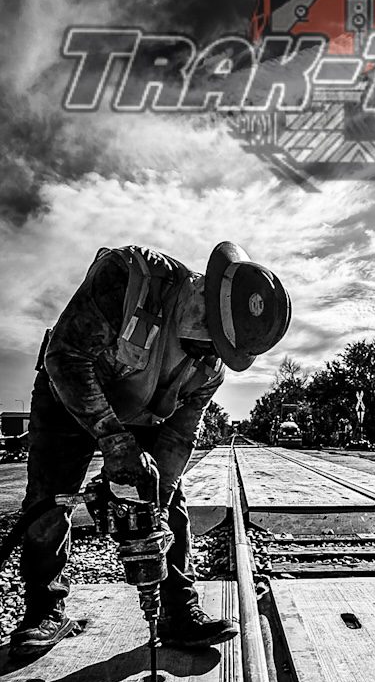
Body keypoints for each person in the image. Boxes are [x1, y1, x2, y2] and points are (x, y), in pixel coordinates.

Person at [10, 240, 291, 660]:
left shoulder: (209, 367)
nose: (211, 354)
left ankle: (179, 610)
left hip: (141, 412)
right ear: (202, 294)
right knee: (48, 503)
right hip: (68, 396)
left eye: (221, 350)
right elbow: (65, 356)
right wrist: (114, 441)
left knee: (168, 500)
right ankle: (42, 611)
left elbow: (179, 437)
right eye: (210, 339)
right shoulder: (129, 278)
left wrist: (153, 500)